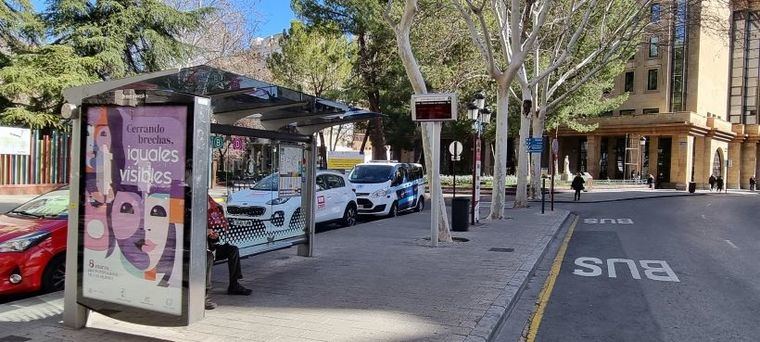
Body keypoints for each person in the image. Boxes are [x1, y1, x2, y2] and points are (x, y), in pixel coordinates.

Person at [206, 195, 252, 310]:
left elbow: (213, 240)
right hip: (197, 250)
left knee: (233, 250)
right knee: (208, 257)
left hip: (210, 247)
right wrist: (204, 232)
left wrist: (213, 236)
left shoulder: (208, 214)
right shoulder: (189, 213)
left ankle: (234, 284)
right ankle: (204, 294)